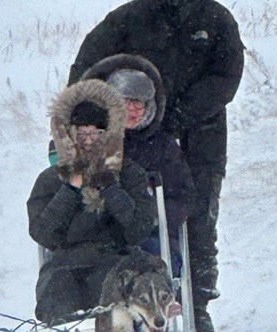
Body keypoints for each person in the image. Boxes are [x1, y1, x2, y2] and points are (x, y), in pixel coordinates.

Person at [68, 0, 245, 332]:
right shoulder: (128, 18)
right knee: (134, 217)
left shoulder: (215, 18)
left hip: (200, 139)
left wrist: (177, 114)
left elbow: (225, 77)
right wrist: (84, 117)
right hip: (138, 139)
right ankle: (127, 300)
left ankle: (197, 301)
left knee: (197, 218)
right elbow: (87, 67)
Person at [28, 79, 156, 326]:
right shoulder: (49, 180)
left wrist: (111, 187)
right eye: (83, 133)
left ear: (109, 134)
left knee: (111, 289)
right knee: (58, 294)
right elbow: (42, 232)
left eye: (97, 133)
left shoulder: (130, 173)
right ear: (70, 134)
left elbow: (139, 229)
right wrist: (70, 189)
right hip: (65, 265)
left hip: (117, 257)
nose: (89, 141)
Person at [80, 53, 195, 278]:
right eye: (125, 101)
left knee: (148, 268)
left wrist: (149, 217)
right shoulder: (94, 140)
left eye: (138, 102)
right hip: (105, 238)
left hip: (152, 237)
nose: (132, 110)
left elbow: (183, 194)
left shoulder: (163, 144)